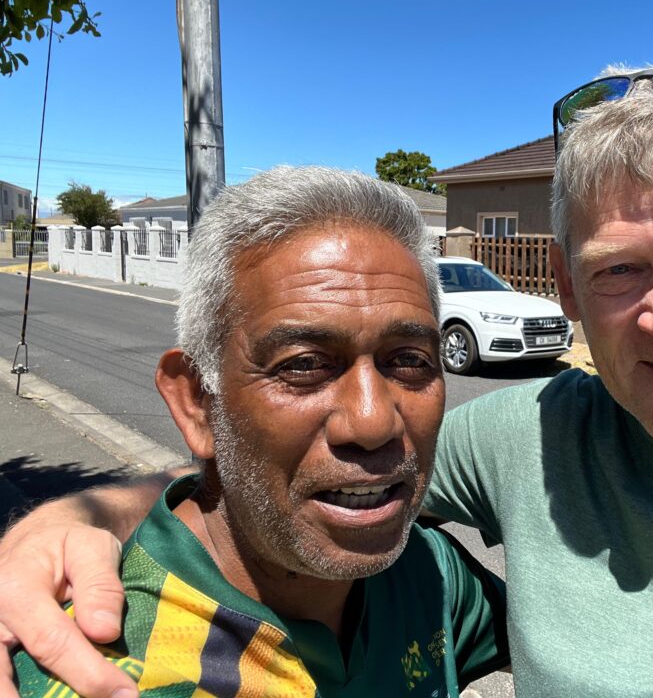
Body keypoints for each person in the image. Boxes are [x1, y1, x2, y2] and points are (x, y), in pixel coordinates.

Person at [2, 59, 653, 696]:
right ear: (569, 293)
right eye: (619, 271)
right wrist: (70, 521)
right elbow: (289, 486)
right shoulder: (530, 438)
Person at [7, 167, 508, 697]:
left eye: (409, 360)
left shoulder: (430, 577)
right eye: (304, 364)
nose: (372, 421)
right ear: (198, 403)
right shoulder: (98, 667)